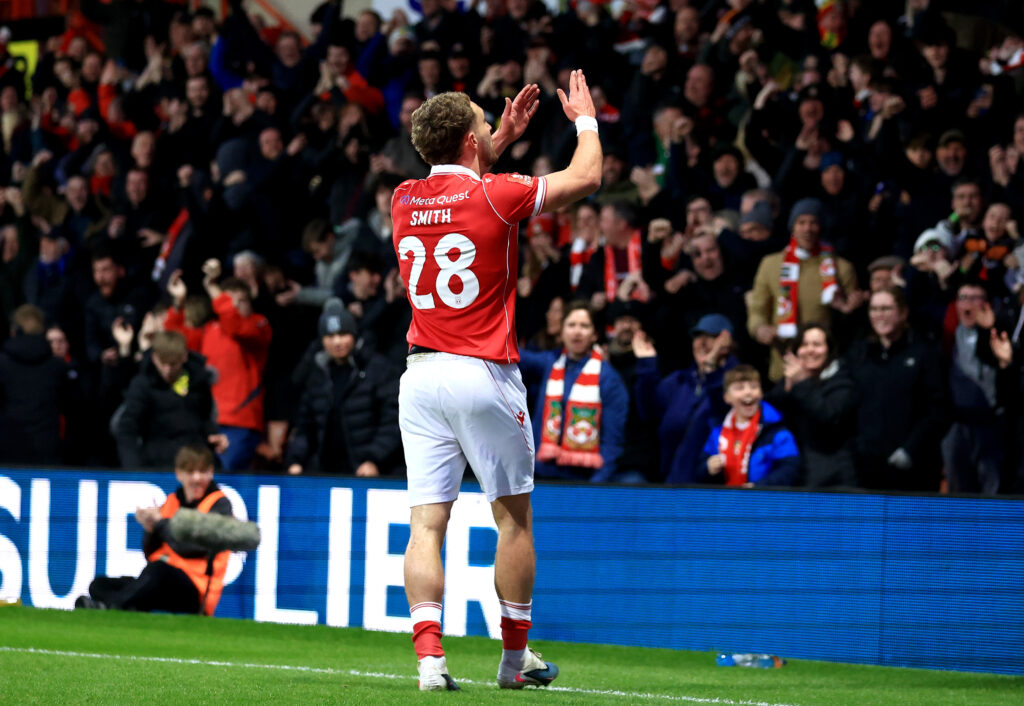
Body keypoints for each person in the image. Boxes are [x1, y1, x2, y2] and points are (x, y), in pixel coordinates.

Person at [390, 71, 601, 691]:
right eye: (485, 122)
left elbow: (456, 190)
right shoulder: (496, 194)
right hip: (482, 371)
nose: (493, 124)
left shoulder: (403, 198)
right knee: (512, 520)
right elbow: (585, 178)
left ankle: (430, 662)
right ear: (470, 143)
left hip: (420, 375)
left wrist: (493, 143)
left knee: (426, 526)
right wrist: (585, 120)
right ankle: (514, 660)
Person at [76, 444, 233, 615]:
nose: (196, 478)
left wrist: (160, 523)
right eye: (190, 472)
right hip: (164, 582)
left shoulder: (219, 505)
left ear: (211, 472)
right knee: (99, 585)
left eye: (202, 472)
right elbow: (151, 554)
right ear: (179, 474)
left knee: (158, 570)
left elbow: (192, 547)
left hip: (196, 590)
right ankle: (127, 606)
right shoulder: (172, 502)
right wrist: (150, 529)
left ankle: (111, 608)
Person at [846, 286, 949, 491]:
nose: (879, 315)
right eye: (874, 309)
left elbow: (940, 410)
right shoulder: (860, 354)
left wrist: (911, 450)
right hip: (867, 467)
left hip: (914, 468)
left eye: (886, 309)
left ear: (903, 313)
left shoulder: (924, 353)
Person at [285, 301, 401, 477]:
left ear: (354, 335)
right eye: (330, 336)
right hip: (327, 472)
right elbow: (306, 427)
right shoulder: (318, 375)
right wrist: (295, 460)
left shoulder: (378, 368)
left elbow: (393, 421)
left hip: (371, 472)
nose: (337, 341)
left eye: (343, 334)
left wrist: (374, 459)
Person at [519, 301, 629, 483]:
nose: (577, 331)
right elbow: (515, 356)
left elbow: (613, 443)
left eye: (584, 326)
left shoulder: (609, 378)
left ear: (595, 334)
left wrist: (594, 488)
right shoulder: (550, 363)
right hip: (540, 475)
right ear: (561, 332)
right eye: (571, 325)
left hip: (583, 481)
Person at [633, 313, 738, 483]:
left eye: (711, 337)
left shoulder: (738, 381)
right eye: (697, 337)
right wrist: (647, 364)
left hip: (713, 485)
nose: (702, 343)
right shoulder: (680, 380)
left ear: (727, 343)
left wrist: (711, 365)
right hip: (673, 482)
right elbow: (648, 412)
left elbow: (720, 405)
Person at [116, 330, 228, 469]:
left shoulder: (199, 381)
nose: (167, 369)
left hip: (196, 466)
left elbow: (205, 418)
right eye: (163, 363)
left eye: (173, 364)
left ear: (184, 357)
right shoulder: (142, 385)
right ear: (154, 358)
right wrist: (134, 471)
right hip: (158, 467)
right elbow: (127, 429)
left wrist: (213, 436)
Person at [765, 323, 858, 487]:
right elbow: (769, 413)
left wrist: (802, 382)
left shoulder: (843, 382)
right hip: (797, 471)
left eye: (817, 344)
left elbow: (827, 417)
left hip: (834, 477)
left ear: (829, 350)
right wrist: (787, 386)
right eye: (804, 344)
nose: (810, 350)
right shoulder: (793, 381)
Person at [698, 365, 800, 487]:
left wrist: (759, 488)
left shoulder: (776, 430)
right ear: (727, 397)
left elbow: (790, 470)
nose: (748, 392)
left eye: (754, 387)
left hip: (763, 503)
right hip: (726, 502)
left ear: (761, 393)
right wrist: (707, 468)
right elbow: (700, 470)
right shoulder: (717, 431)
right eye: (739, 388)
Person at [0, 304, 70, 465]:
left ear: (14, 331)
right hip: (48, 450)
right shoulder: (57, 367)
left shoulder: (2, 365)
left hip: (7, 450)